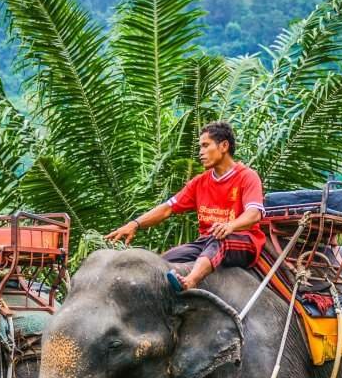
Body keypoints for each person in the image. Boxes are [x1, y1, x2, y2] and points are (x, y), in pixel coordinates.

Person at [107, 121, 265, 291]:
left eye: (205, 146)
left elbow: (254, 214)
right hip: (206, 242)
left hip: (241, 240)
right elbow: (167, 208)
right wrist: (135, 224)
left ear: (224, 146)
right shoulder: (200, 182)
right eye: (200, 147)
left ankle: (190, 282)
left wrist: (230, 226)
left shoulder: (247, 177)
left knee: (219, 242)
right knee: (164, 260)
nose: (200, 152)